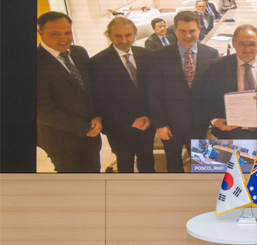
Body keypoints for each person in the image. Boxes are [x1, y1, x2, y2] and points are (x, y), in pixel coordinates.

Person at [148, 11, 219, 172]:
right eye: (183, 31)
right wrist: (160, 124)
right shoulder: (160, 56)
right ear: (175, 30)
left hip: (199, 122)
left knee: (201, 163)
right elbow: (154, 94)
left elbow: (214, 92)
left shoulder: (211, 54)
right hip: (170, 123)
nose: (188, 35)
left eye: (192, 31)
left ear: (199, 29)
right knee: (173, 161)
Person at [202, 24, 257, 156]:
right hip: (228, 131)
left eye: (253, 44)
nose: (248, 49)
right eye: (242, 44)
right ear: (234, 44)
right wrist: (214, 120)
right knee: (229, 169)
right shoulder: (217, 66)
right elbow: (208, 98)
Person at [37, 11, 102, 172]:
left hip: (91, 135)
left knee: (93, 176)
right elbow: (43, 111)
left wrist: (98, 116)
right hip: (61, 141)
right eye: (55, 34)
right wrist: (83, 128)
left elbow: (91, 90)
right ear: (41, 33)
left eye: (67, 32)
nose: (64, 39)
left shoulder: (79, 52)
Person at [90, 17, 155, 173]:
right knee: (125, 164)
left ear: (135, 35)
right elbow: (101, 101)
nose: (124, 40)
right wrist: (131, 121)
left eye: (129, 35)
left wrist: (150, 116)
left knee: (147, 161)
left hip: (147, 123)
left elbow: (152, 91)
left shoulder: (147, 55)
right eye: (118, 36)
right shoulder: (98, 63)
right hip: (119, 127)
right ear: (110, 36)